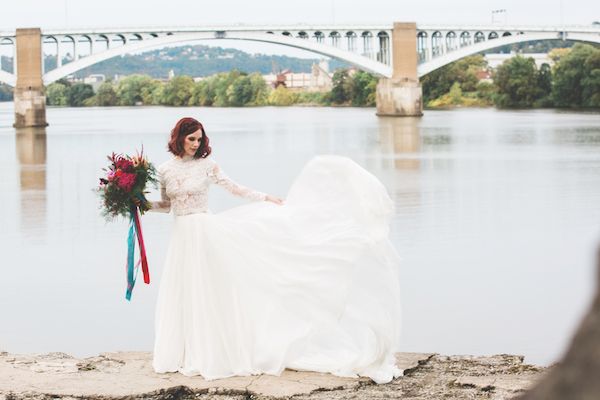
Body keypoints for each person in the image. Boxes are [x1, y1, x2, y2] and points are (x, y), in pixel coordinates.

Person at [150, 117, 403, 384]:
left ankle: (214, 352)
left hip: (204, 232)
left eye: (199, 139)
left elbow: (234, 188)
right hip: (181, 235)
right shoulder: (165, 170)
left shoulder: (207, 166)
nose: (196, 144)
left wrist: (266, 197)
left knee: (208, 291)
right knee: (185, 290)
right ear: (179, 138)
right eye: (191, 139)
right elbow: (168, 206)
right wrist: (140, 204)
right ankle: (184, 351)